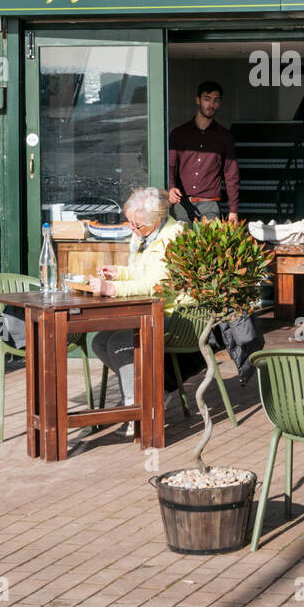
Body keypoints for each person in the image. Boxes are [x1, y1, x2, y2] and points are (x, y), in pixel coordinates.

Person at [88, 186, 200, 436]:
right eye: (129, 222)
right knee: (100, 342)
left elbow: (156, 286)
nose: (132, 229)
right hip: (153, 312)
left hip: (178, 315)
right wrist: (120, 273)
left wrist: (112, 289)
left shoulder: (172, 239)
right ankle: (153, 395)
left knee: (120, 343)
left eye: (137, 225)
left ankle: (136, 412)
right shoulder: (144, 232)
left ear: (157, 220)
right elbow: (143, 273)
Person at [168, 81, 240, 225]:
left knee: (209, 246)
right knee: (181, 245)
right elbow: (170, 166)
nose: (211, 105)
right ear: (198, 100)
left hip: (210, 204)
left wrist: (233, 210)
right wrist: (171, 187)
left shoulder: (224, 136)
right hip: (182, 203)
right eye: (207, 99)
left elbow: (231, 174)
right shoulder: (179, 133)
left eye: (216, 100)